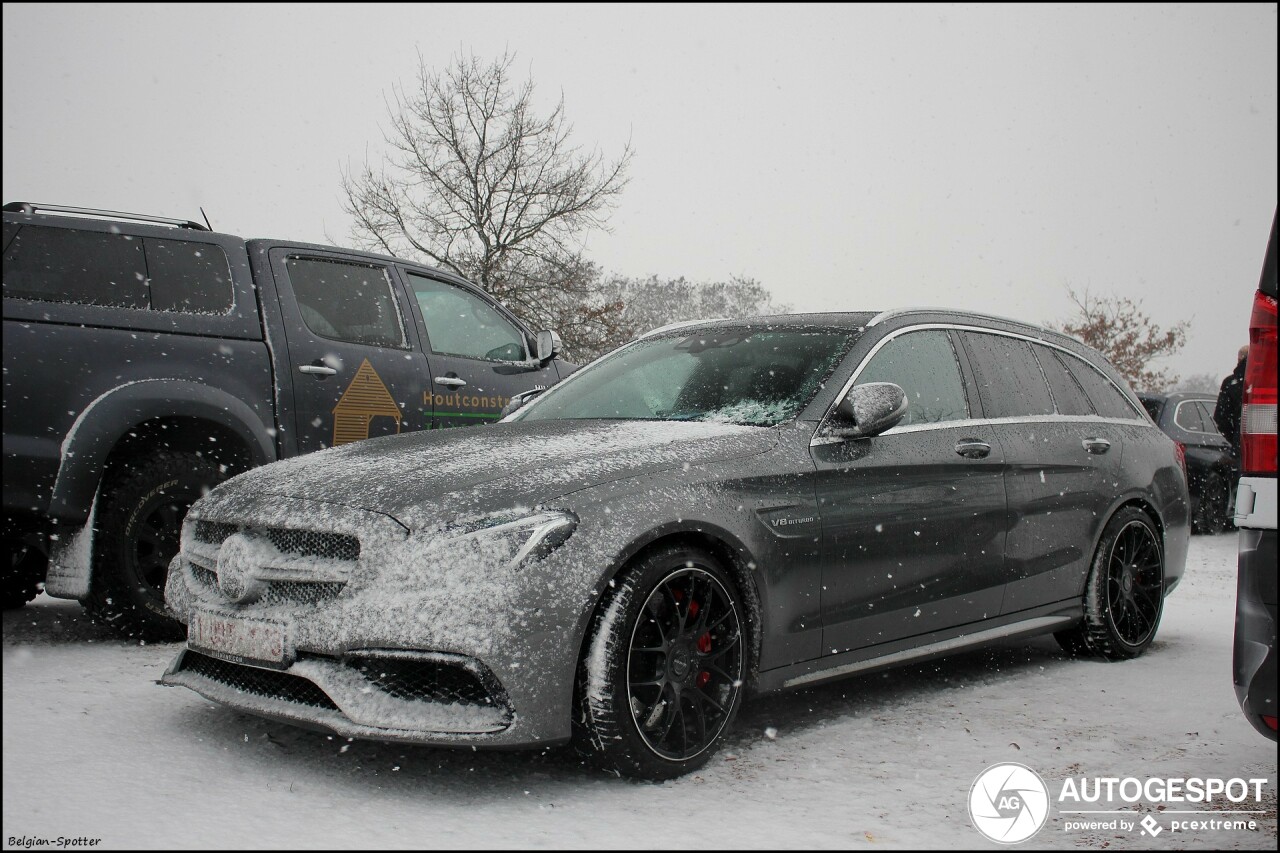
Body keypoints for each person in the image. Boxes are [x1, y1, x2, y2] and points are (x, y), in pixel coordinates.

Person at [1213, 344, 1249, 458]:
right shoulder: (1266, 383)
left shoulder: (1230, 383)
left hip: (1240, 448)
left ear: (1239, 359)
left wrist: (1235, 438)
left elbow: (1221, 418)